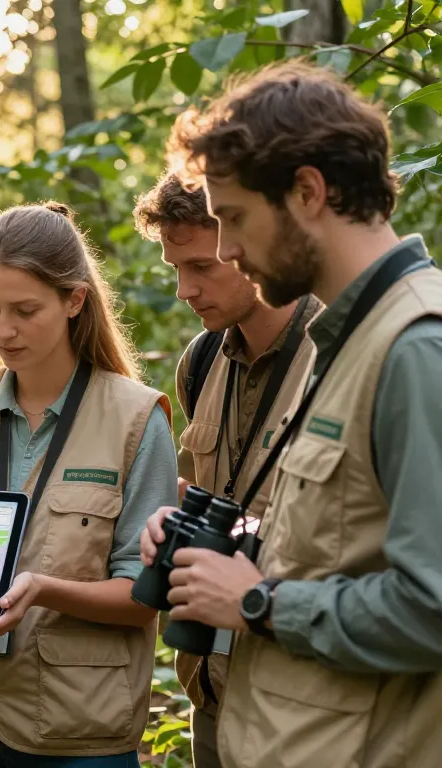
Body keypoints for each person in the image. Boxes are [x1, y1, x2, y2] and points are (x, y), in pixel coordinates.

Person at [143, 61, 442, 768]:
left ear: (307, 191)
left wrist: (257, 603)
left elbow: (431, 605)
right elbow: (339, 542)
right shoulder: (335, 340)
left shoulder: (417, 349)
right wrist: (223, 545)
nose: (226, 250)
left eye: (235, 218)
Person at [0, 202, 178, 767]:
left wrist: (43, 590)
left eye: (26, 310)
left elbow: (143, 597)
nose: (4, 330)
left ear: (75, 300)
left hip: (77, 729)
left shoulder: (135, 420)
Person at [131, 172, 320, 768]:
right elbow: (203, 493)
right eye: (175, 269)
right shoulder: (203, 359)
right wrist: (170, 516)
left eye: (202, 266)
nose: (185, 290)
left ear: (250, 242)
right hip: (210, 697)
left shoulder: (342, 356)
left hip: (310, 710)